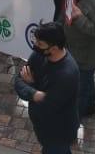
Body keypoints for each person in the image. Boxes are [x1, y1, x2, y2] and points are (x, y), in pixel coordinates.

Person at [14, 21, 80, 154]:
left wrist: (31, 86)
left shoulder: (67, 74)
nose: (35, 46)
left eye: (40, 44)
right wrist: (34, 94)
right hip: (44, 127)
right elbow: (18, 80)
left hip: (58, 131)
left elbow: (47, 106)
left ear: (54, 48)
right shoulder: (40, 55)